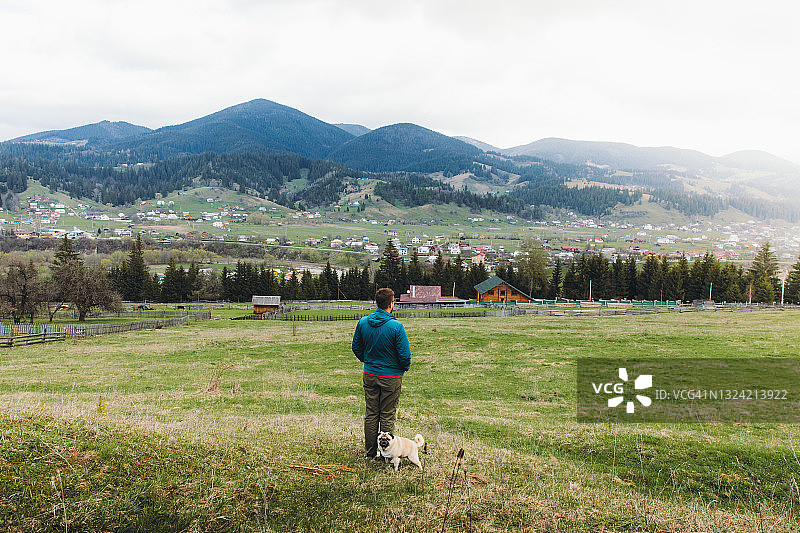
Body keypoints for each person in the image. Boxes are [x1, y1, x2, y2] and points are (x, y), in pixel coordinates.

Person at [352, 287, 412, 459]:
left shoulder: (363, 322)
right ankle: (385, 452)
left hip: (370, 374)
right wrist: (402, 368)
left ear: (377, 303)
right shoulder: (396, 327)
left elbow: (356, 346)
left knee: (371, 413)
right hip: (391, 377)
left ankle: (370, 453)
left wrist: (368, 361)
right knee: (387, 414)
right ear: (391, 304)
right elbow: (405, 355)